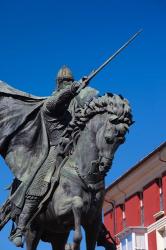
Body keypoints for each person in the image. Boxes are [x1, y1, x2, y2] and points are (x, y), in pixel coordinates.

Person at [0, 66, 98, 247]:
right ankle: (21, 228)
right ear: (60, 84)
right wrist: (74, 88)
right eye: (66, 82)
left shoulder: (75, 104)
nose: (68, 84)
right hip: (55, 150)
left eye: (70, 81)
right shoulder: (50, 105)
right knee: (38, 184)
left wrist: (87, 91)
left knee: (95, 183)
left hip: (76, 149)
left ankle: (98, 228)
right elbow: (60, 100)